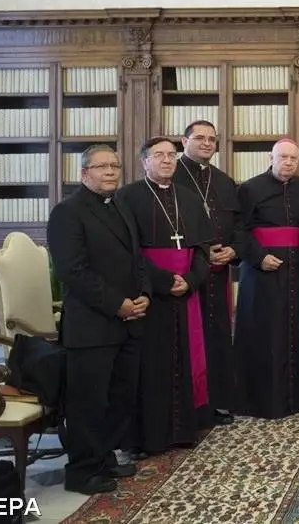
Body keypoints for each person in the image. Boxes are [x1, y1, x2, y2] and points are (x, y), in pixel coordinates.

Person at [48, 145, 148, 494]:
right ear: (84, 173)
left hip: (129, 320)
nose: (110, 171)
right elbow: (72, 272)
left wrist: (144, 293)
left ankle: (104, 457)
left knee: (118, 398)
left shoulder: (120, 204)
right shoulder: (67, 212)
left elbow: (137, 258)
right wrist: (117, 303)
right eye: (101, 166)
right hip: (92, 325)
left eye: (115, 166)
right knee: (87, 403)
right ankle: (81, 471)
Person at [116, 137, 215, 456]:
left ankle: (183, 429)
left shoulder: (188, 198)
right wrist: (161, 281)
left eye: (171, 155)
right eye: (158, 155)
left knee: (184, 359)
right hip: (149, 293)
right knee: (151, 366)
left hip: (185, 291)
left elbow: (202, 249)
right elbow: (126, 252)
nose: (167, 160)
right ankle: (149, 436)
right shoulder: (127, 197)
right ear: (144, 161)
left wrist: (189, 279)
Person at [234, 138, 299, 419]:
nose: (288, 163)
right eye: (282, 157)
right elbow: (239, 231)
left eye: (293, 158)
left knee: (294, 331)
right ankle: (263, 401)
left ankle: (297, 398)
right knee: (265, 333)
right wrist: (259, 258)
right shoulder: (249, 188)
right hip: (262, 273)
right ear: (271, 158)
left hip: (296, 271)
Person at [174, 120, 246, 425]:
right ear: (184, 141)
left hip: (218, 274)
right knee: (187, 338)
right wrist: (204, 252)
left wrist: (234, 250)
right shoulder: (170, 176)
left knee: (216, 336)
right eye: (199, 138)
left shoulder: (225, 181)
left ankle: (217, 403)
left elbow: (241, 226)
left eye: (212, 139)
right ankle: (188, 406)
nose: (206, 143)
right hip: (186, 274)